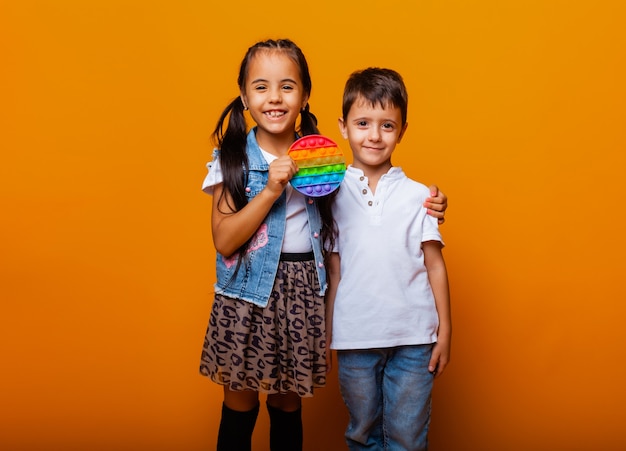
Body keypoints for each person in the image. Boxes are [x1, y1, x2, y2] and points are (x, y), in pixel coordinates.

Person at [199, 39, 448, 451]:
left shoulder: (324, 158)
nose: (275, 98)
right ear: (244, 96)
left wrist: (432, 203)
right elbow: (223, 239)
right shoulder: (232, 159)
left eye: (287, 87)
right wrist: (270, 190)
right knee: (239, 400)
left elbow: (374, 196)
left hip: (302, 290)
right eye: (261, 87)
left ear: (305, 95)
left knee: (286, 403)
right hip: (245, 294)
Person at [325, 68, 452, 451]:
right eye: (363, 123)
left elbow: (435, 265)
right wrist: (326, 331)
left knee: (406, 437)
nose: (374, 135)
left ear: (402, 130)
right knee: (362, 433)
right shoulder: (327, 191)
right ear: (343, 127)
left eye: (387, 125)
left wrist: (445, 330)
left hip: (414, 338)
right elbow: (333, 269)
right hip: (354, 337)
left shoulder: (419, 196)